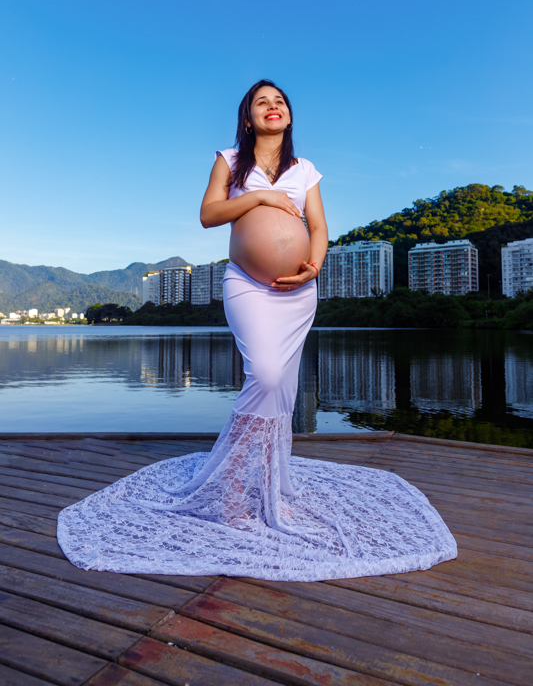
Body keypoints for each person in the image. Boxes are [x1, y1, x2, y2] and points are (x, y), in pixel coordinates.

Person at [57, 80, 457, 581]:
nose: (273, 107)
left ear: (289, 115)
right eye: (262, 102)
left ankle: (264, 482)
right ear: (247, 117)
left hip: (298, 292)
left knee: (285, 388)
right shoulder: (229, 159)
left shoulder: (305, 169)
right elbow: (209, 214)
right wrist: (262, 196)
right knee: (265, 375)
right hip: (247, 283)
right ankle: (228, 490)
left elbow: (319, 226)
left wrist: (314, 265)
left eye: (281, 101)